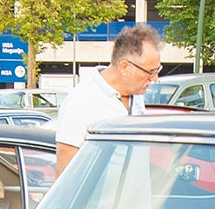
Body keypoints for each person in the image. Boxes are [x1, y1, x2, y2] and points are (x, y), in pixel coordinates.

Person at [56, 23, 160, 173]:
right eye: (150, 72)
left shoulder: (136, 96)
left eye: (157, 70)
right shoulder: (79, 102)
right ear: (124, 67)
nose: (155, 78)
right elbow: (65, 174)